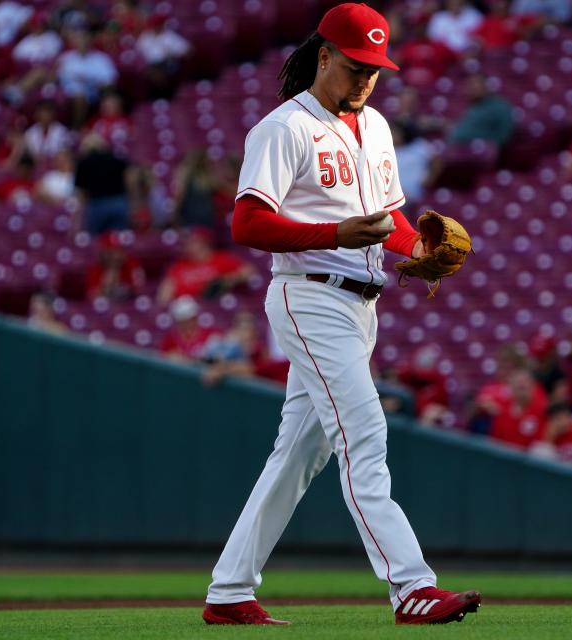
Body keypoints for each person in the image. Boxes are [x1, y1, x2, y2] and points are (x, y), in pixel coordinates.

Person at [203, 4, 481, 626]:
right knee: (365, 435)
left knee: (298, 454)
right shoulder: (283, 128)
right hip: (309, 295)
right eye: (357, 66)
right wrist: (337, 233)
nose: (366, 80)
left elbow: (388, 220)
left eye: (376, 70)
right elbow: (246, 222)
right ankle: (411, 586)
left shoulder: (376, 126)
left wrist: (414, 251)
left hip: (362, 303)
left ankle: (228, 591)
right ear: (324, 55)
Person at [156, 229, 253, 305]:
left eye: (192, 241)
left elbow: (248, 271)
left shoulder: (221, 259)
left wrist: (226, 280)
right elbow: (163, 296)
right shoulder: (179, 266)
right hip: (188, 307)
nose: (187, 245)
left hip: (217, 304)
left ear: (204, 243)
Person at [57, 28, 118, 127]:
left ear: (90, 40)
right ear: (74, 41)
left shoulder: (101, 59)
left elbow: (110, 81)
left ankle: (77, 128)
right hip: (67, 91)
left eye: (85, 38)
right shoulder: (66, 58)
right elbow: (58, 77)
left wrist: (89, 79)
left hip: (92, 92)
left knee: (80, 96)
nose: (82, 41)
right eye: (79, 38)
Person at [73, 132, 130, 233]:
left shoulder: (83, 163)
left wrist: (76, 221)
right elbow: (129, 181)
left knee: (95, 243)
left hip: (97, 205)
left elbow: (81, 194)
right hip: (119, 203)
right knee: (116, 240)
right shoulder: (117, 160)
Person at [488, 368, 548, 449]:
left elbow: (542, 442)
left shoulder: (541, 409)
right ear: (511, 387)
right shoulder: (502, 409)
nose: (522, 383)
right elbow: (495, 440)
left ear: (532, 386)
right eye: (518, 383)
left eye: (525, 382)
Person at [449, 74, 514, 147]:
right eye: (469, 87)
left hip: (481, 152)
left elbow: (504, 133)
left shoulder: (499, 106)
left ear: (485, 86)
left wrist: (488, 145)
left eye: (474, 86)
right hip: (459, 150)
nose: (470, 90)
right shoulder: (473, 108)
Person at [136, 14, 190, 99]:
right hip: (150, 65)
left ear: (161, 25)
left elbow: (187, 50)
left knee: (167, 69)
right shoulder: (145, 37)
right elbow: (138, 53)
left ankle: (166, 97)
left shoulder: (169, 36)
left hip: (167, 64)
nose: (154, 28)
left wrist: (173, 54)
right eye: (153, 25)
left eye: (156, 25)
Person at [85, 232, 145, 301]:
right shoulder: (95, 269)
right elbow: (93, 297)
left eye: (118, 250)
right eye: (111, 252)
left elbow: (140, 291)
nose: (116, 256)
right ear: (103, 253)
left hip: (128, 305)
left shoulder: (132, 264)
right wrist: (107, 283)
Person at [159, 295, 216, 362]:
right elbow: (162, 359)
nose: (189, 324)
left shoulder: (210, 334)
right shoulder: (171, 339)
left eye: (192, 319)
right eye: (184, 322)